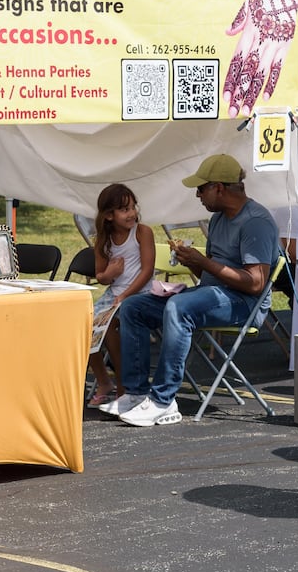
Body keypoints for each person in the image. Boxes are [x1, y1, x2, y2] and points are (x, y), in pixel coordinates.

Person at [112, 155, 279, 427]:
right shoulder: (217, 220)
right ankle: (136, 392)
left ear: (219, 188)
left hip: (245, 304)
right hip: (215, 296)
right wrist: (194, 263)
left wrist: (203, 262)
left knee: (180, 307)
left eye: (201, 189)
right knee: (134, 307)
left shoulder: (255, 222)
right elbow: (212, 276)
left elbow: (256, 283)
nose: (197, 195)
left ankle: (163, 400)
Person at [87, 184, 157, 410]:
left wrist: (126, 294)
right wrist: (110, 274)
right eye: (124, 210)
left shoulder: (142, 232)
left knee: (107, 328)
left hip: (141, 293)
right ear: (108, 216)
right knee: (84, 329)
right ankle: (104, 381)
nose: (132, 213)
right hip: (114, 295)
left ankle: (123, 384)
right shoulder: (103, 240)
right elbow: (101, 277)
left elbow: (147, 271)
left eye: (132, 207)